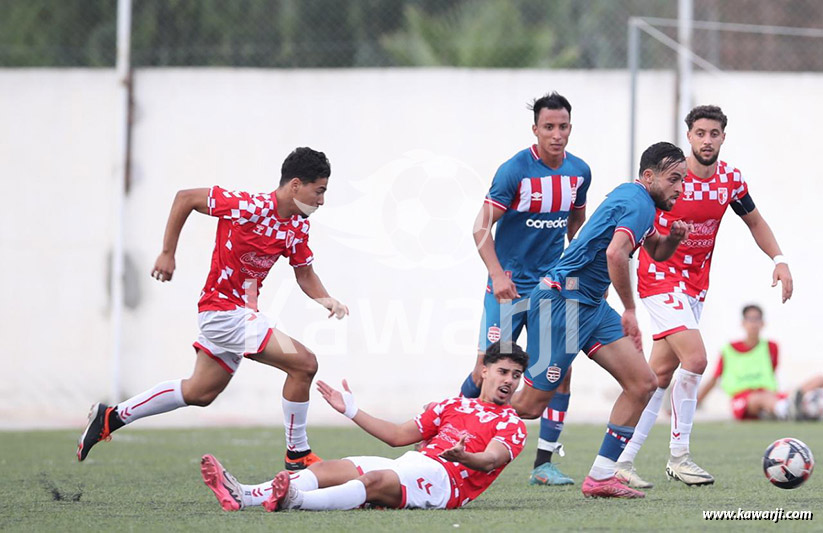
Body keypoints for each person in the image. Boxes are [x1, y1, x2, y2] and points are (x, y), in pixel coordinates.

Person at [77, 147, 348, 471]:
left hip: (238, 316)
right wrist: (167, 253)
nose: (321, 201)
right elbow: (185, 198)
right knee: (303, 363)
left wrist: (326, 299)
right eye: (319, 191)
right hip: (223, 313)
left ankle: (111, 417)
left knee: (199, 392)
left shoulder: (298, 227)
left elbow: (305, 274)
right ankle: (298, 455)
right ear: (295, 185)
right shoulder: (248, 206)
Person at [615, 106, 794, 489]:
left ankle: (621, 461)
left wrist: (779, 259)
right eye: (700, 133)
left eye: (714, 133)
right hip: (659, 276)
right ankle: (679, 455)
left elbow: (755, 221)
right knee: (696, 359)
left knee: (657, 377)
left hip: (695, 285)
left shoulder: (729, 179)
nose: (707, 140)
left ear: (723, 137)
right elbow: (640, 213)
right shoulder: (671, 179)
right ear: (689, 136)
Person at [511, 141, 692, 499]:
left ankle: (600, 477)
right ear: (649, 176)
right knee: (531, 406)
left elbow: (654, 250)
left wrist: (671, 239)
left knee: (643, 383)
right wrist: (629, 309)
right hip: (563, 301)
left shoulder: (637, 199)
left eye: (682, 181)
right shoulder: (639, 203)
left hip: (590, 305)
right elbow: (616, 253)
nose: (680, 188)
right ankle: (458, 417)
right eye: (674, 179)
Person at [200, 341, 528, 512]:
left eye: (515, 376)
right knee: (333, 468)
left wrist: (463, 458)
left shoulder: (513, 424)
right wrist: (352, 410)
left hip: (446, 485)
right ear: (484, 371)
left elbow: (491, 460)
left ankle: (294, 499)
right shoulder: (452, 404)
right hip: (413, 465)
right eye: (503, 372)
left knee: (373, 480)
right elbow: (398, 436)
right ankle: (243, 495)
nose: (509, 381)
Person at [460, 91, 590, 486]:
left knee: (561, 371)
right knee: (485, 371)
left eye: (562, 126)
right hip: (509, 286)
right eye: (548, 127)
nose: (556, 134)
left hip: (554, 285)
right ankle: (454, 438)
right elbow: (480, 228)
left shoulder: (580, 171)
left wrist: (568, 265)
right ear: (535, 130)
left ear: (570, 128)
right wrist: (498, 275)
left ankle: (543, 465)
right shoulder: (514, 171)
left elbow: (576, 223)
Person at [697, 304, 823, 421]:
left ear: (763, 323)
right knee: (760, 398)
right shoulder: (729, 350)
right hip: (743, 399)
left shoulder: (771, 347)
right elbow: (714, 378)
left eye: (757, 319)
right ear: (743, 323)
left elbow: (771, 371)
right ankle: (787, 410)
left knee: (818, 379)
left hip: (771, 396)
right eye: (750, 319)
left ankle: (789, 407)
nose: (754, 324)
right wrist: (696, 402)